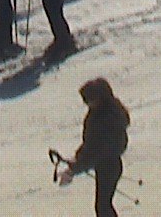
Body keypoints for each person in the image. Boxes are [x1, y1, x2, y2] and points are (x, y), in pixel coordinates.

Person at [56, 77, 130, 217]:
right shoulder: (102, 112)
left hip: (108, 166)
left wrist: (74, 169)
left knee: (103, 207)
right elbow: (90, 145)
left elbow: (97, 151)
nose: (87, 104)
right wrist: (77, 159)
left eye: (89, 100)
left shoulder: (105, 118)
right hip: (108, 165)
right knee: (103, 206)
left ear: (99, 97)